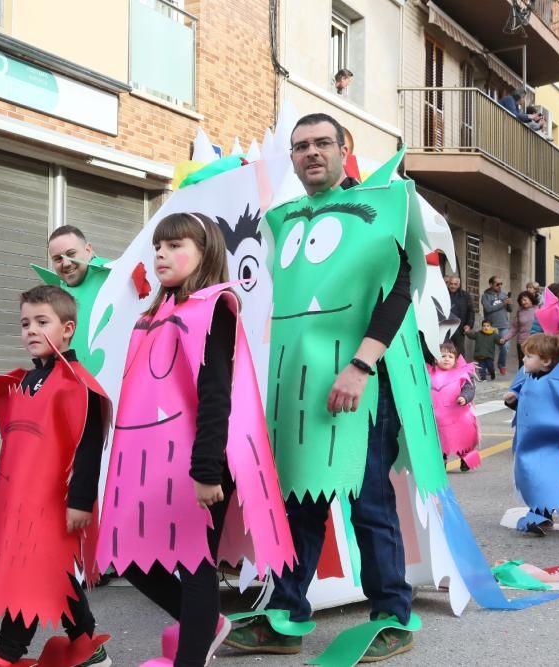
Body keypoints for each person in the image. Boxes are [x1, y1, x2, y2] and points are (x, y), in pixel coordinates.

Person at [227, 113, 441, 663]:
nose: (311, 153)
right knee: (300, 498)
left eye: (323, 143)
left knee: (368, 500)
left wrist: (362, 365)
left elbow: (399, 291)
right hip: (299, 384)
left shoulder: (378, 209)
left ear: (345, 150)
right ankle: (288, 616)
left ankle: (392, 614)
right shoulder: (284, 219)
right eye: (301, 146)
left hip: (363, 382)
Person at [97, 212, 293, 667]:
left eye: (175, 246)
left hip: (202, 460)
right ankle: (207, 623)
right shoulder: (157, 313)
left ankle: (191, 654)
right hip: (154, 462)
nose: (162, 254)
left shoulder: (213, 308)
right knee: (128, 557)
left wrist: (206, 471)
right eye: (158, 247)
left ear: (205, 255)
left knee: (196, 562)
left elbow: (216, 394)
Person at [0, 285, 111, 667]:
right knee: (50, 572)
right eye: (25, 323)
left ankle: (6, 653)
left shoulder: (79, 385)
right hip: (23, 504)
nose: (30, 330)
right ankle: (86, 640)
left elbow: (89, 446)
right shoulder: (27, 381)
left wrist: (80, 502)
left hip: (57, 502)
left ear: (68, 329)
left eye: (41, 322)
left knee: (34, 572)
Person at [504, 333, 559, 535]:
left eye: (529, 356)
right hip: (526, 442)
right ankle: (539, 513)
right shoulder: (527, 378)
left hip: (549, 443)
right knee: (528, 477)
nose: (523, 360)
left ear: (545, 361)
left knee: (546, 477)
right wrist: (512, 400)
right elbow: (523, 405)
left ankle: (542, 515)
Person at [35, 226, 112, 374]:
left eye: (71, 254)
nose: (66, 263)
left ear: (88, 250)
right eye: (58, 259)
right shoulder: (53, 293)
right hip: (71, 385)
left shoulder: (116, 275)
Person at [429, 341, 480, 472]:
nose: (446, 359)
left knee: (463, 439)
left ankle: (466, 458)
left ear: (456, 360)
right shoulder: (429, 373)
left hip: (458, 415)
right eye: (443, 356)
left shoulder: (461, 374)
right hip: (437, 415)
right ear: (435, 358)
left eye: (450, 356)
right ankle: (441, 460)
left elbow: (469, 388)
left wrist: (464, 397)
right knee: (439, 439)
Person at [481, 276, 511, 374]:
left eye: (501, 284)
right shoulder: (485, 296)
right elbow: (488, 309)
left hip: (503, 325)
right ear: (491, 284)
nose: (500, 286)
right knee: (488, 348)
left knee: (505, 346)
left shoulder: (504, 295)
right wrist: (503, 303)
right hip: (490, 325)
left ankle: (502, 365)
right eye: (497, 284)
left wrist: (509, 303)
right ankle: (488, 368)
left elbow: (510, 310)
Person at [503, 290, 539, 367]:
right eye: (521, 300)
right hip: (522, 343)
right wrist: (505, 338)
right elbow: (514, 328)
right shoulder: (520, 312)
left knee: (534, 366)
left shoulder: (538, 310)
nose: (523, 302)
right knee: (522, 366)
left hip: (534, 343)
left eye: (525, 300)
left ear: (531, 299)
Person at [446, 273, 475, 360]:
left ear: (459, 284)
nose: (453, 286)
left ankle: (461, 371)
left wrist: (469, 325)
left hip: (459, 327)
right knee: (446, 349)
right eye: (451, 284)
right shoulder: (443, 293)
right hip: (445, 327)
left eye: (455, 284)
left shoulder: (465, 295)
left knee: (460, 351)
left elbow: (471, 311)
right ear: (448, 284)